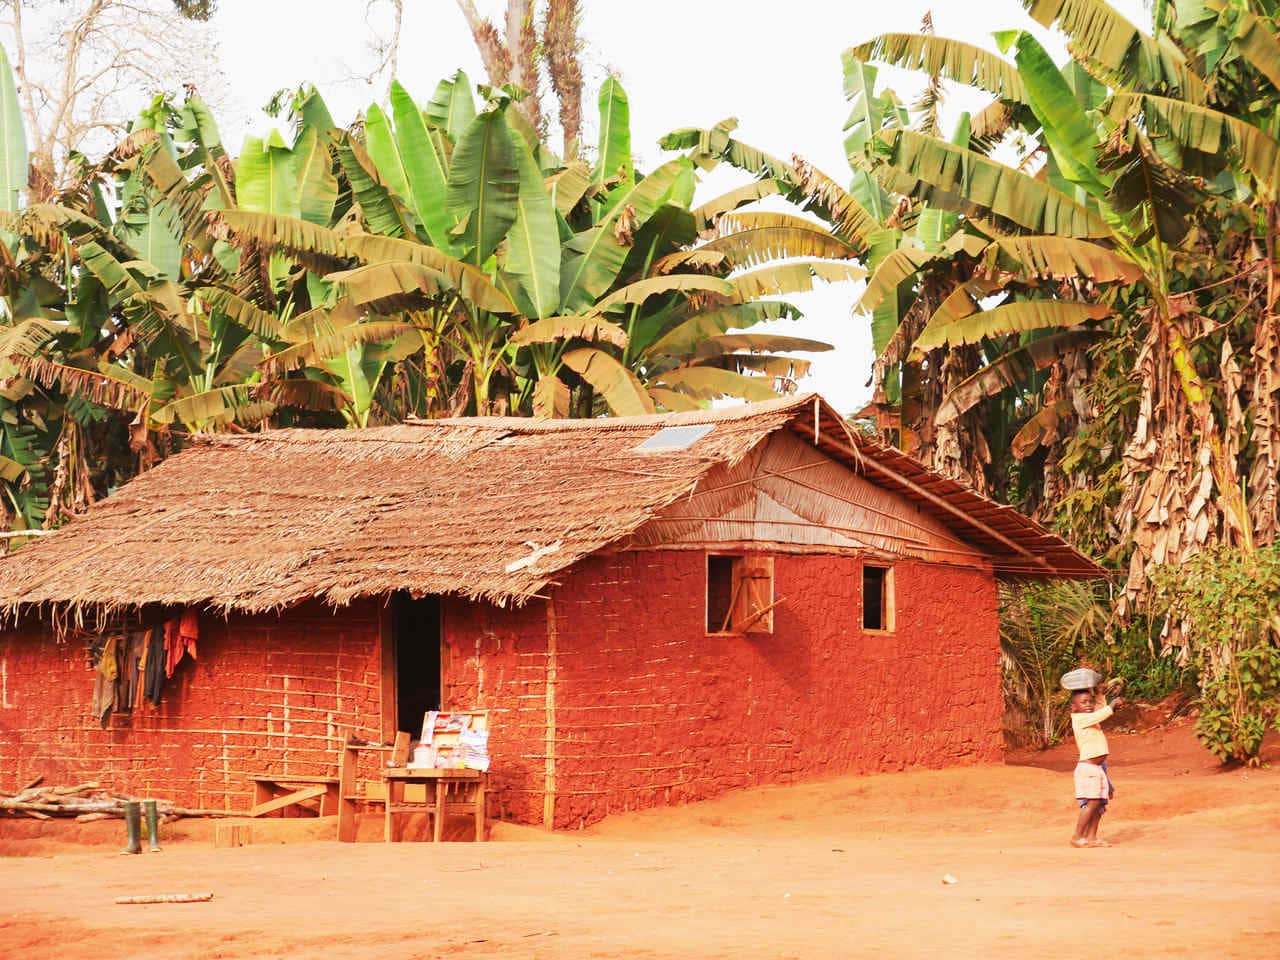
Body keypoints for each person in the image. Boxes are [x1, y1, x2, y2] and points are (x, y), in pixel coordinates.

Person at [1069, 688, 1123, 848]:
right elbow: (1101, 713)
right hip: (1088, 769)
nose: (1088, 705)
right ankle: (1077, 836)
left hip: (1098, 769)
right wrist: (1112, 705)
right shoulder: (1079, 719)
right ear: (1074, 707)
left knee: (1099, 805)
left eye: (1090, 702)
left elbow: (1099, 709)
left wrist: (1099, 693)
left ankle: (1092, 837)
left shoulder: (1091, 719)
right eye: (1083, 702)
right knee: (1092, 803)